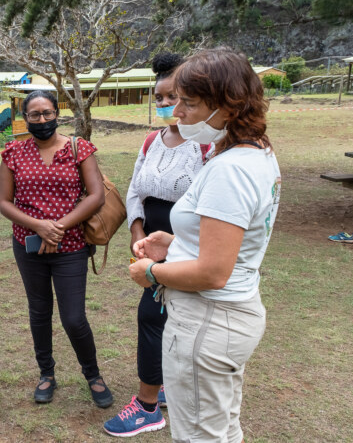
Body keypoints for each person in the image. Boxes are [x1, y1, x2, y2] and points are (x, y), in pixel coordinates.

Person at [128, 48, 281, 443]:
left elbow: (213, 272)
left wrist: (152, 272)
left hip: (208, 321)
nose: (176, 112)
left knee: (199, 436)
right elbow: (230, 238)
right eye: (175, 100)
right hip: (230, 315)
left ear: (228, 106)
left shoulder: (229, 169)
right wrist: (176, 243)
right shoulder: (255, 153)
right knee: (221, 428)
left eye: (189, 103)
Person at [104, 53, 211, 436]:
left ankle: (148, 406)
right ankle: (162, 387)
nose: (167, 105)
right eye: (160, 97)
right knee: (156, 317)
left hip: (189, 249)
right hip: (151, 243)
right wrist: (137, 234)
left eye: (173, 97)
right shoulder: (152, 140)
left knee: (159, 318)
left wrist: (175, 245)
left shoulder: (206, 146)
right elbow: (135, 191)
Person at [0, 90, 114, 409]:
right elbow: (4, 203)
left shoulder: (80, 148)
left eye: (47, 113)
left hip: (71, 246)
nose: (42, 120)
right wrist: (39, 227)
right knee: (39, 311)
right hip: (28, 245)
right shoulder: (13, 153)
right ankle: (46, 374)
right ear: (25, 119)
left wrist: (57, 227)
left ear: (57, 113)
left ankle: (93, 375)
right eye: (34, 115)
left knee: (74, 317)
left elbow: (95, 196)